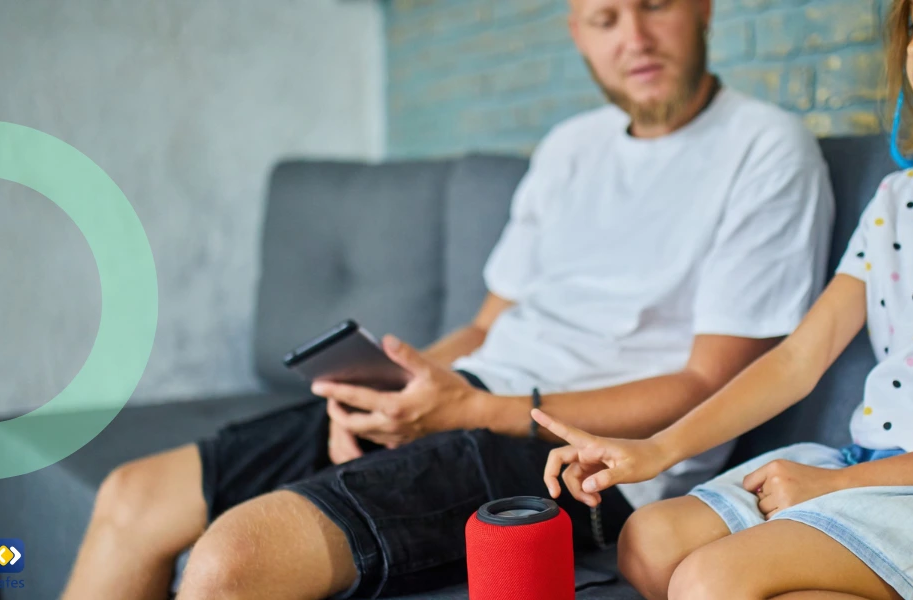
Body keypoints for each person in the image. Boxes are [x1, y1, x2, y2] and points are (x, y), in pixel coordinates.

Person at [61, 1, 834, 598]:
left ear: (702, 7)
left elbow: (709, 387)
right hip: (473, 402)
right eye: (604, 17)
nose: (634, 35)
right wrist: (380, 393)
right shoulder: (570, 149)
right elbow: (485, 326)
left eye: (656, 5)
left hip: (588, 462)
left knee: (234, 559)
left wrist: (470, 411)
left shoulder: (765, 149)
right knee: (135, 496)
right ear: (577, 32)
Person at [532, 0, 913, 598]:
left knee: (709, 582)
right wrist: (657, 448)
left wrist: (838, 484)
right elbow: (798, 359)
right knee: (647, 540)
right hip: (870, 465)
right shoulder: (900, 197)